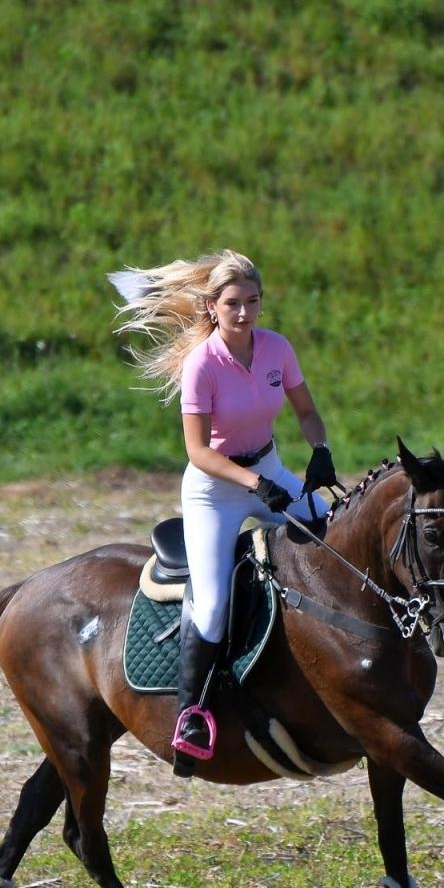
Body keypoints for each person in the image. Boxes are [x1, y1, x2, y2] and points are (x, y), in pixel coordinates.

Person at [111, 250, 338, 776]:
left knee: (327, 529)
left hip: (270, 471)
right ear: (213, 308)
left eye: (252, 302)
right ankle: (190, 717)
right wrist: (256, 484)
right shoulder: (202, 365)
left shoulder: (278, 349)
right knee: (211, 605)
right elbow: (199, 452)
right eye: (233, 303)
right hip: (215, 489)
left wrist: (320, 448)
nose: (244, 312)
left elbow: (306, 411)